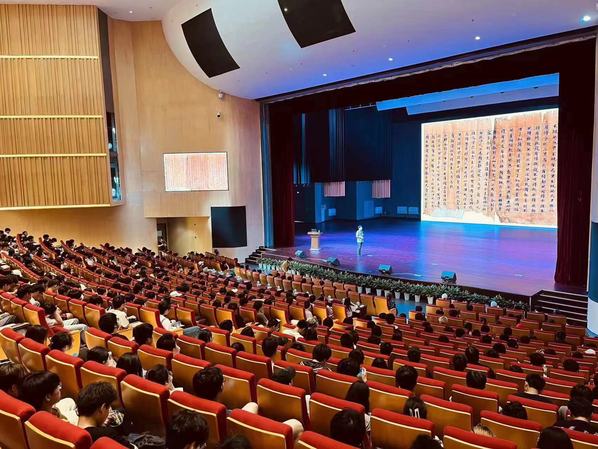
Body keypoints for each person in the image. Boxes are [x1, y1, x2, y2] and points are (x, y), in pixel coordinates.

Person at [76, 382, 132, 447]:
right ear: (102, 408)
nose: (109, 412)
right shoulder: (106, 435)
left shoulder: (72, 430)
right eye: (109, 408)